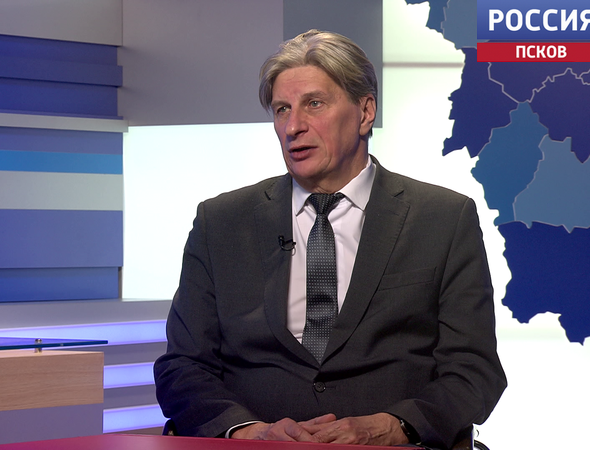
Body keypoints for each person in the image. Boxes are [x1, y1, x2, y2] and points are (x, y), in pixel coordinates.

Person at [153, 30, 507, 449]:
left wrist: (390, 427)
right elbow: (183, 367)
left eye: (314, 104)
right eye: (282, 110)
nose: (293, 126)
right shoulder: (221, 222)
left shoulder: (442, 218)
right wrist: (249, 431)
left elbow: (473, 370)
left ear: (365, 112)